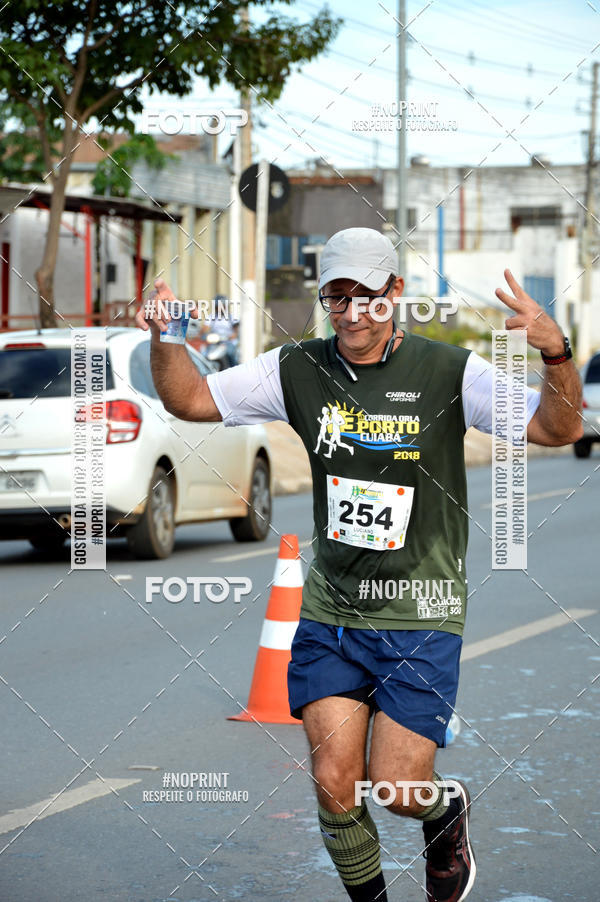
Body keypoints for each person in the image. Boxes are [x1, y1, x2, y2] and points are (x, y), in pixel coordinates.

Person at [135, 227, 582, 902]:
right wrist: (167, 336)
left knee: (398, 789)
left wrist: (555, 353)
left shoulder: (448, 372)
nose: (349, 314)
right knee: (334, 782)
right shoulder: (296, 369)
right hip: (332, 612)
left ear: (395, 292)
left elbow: (559, 428)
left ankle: (443, 810)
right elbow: (190, 400)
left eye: (365, 297)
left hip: (420, 613)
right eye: (336, 298)